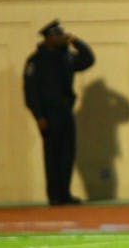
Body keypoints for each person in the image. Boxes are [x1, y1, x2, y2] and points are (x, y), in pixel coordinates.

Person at [23, 20, 94, 206]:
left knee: (67, 154)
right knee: (52, 155)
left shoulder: (67, 58)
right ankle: (54, 196)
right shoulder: (36, 61)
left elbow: (88, 60)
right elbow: (31, 92)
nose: (62, 37)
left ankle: (65, 194)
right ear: (48, 38)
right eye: (58, 35)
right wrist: (39, 116)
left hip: (65, 111)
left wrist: (76, 41)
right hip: (49, 114)